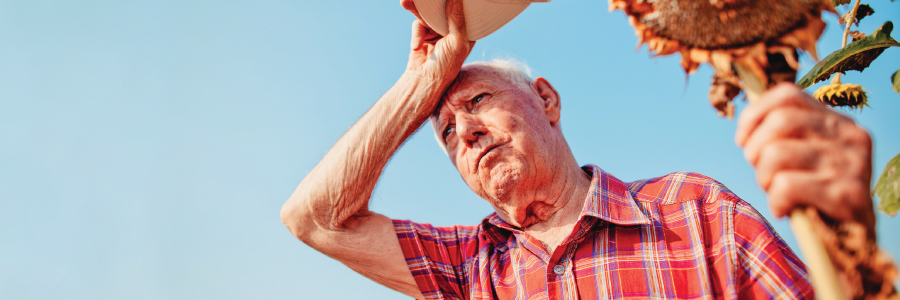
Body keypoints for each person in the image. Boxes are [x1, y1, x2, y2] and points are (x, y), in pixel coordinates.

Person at [280, 0, 877, 298]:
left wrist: (850, 231)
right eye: (445, 132)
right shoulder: (471, 268)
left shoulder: (696, 212)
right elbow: (312, 219)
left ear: (546, 100)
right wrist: (423, 81)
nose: (464, 131)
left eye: (479, 100)